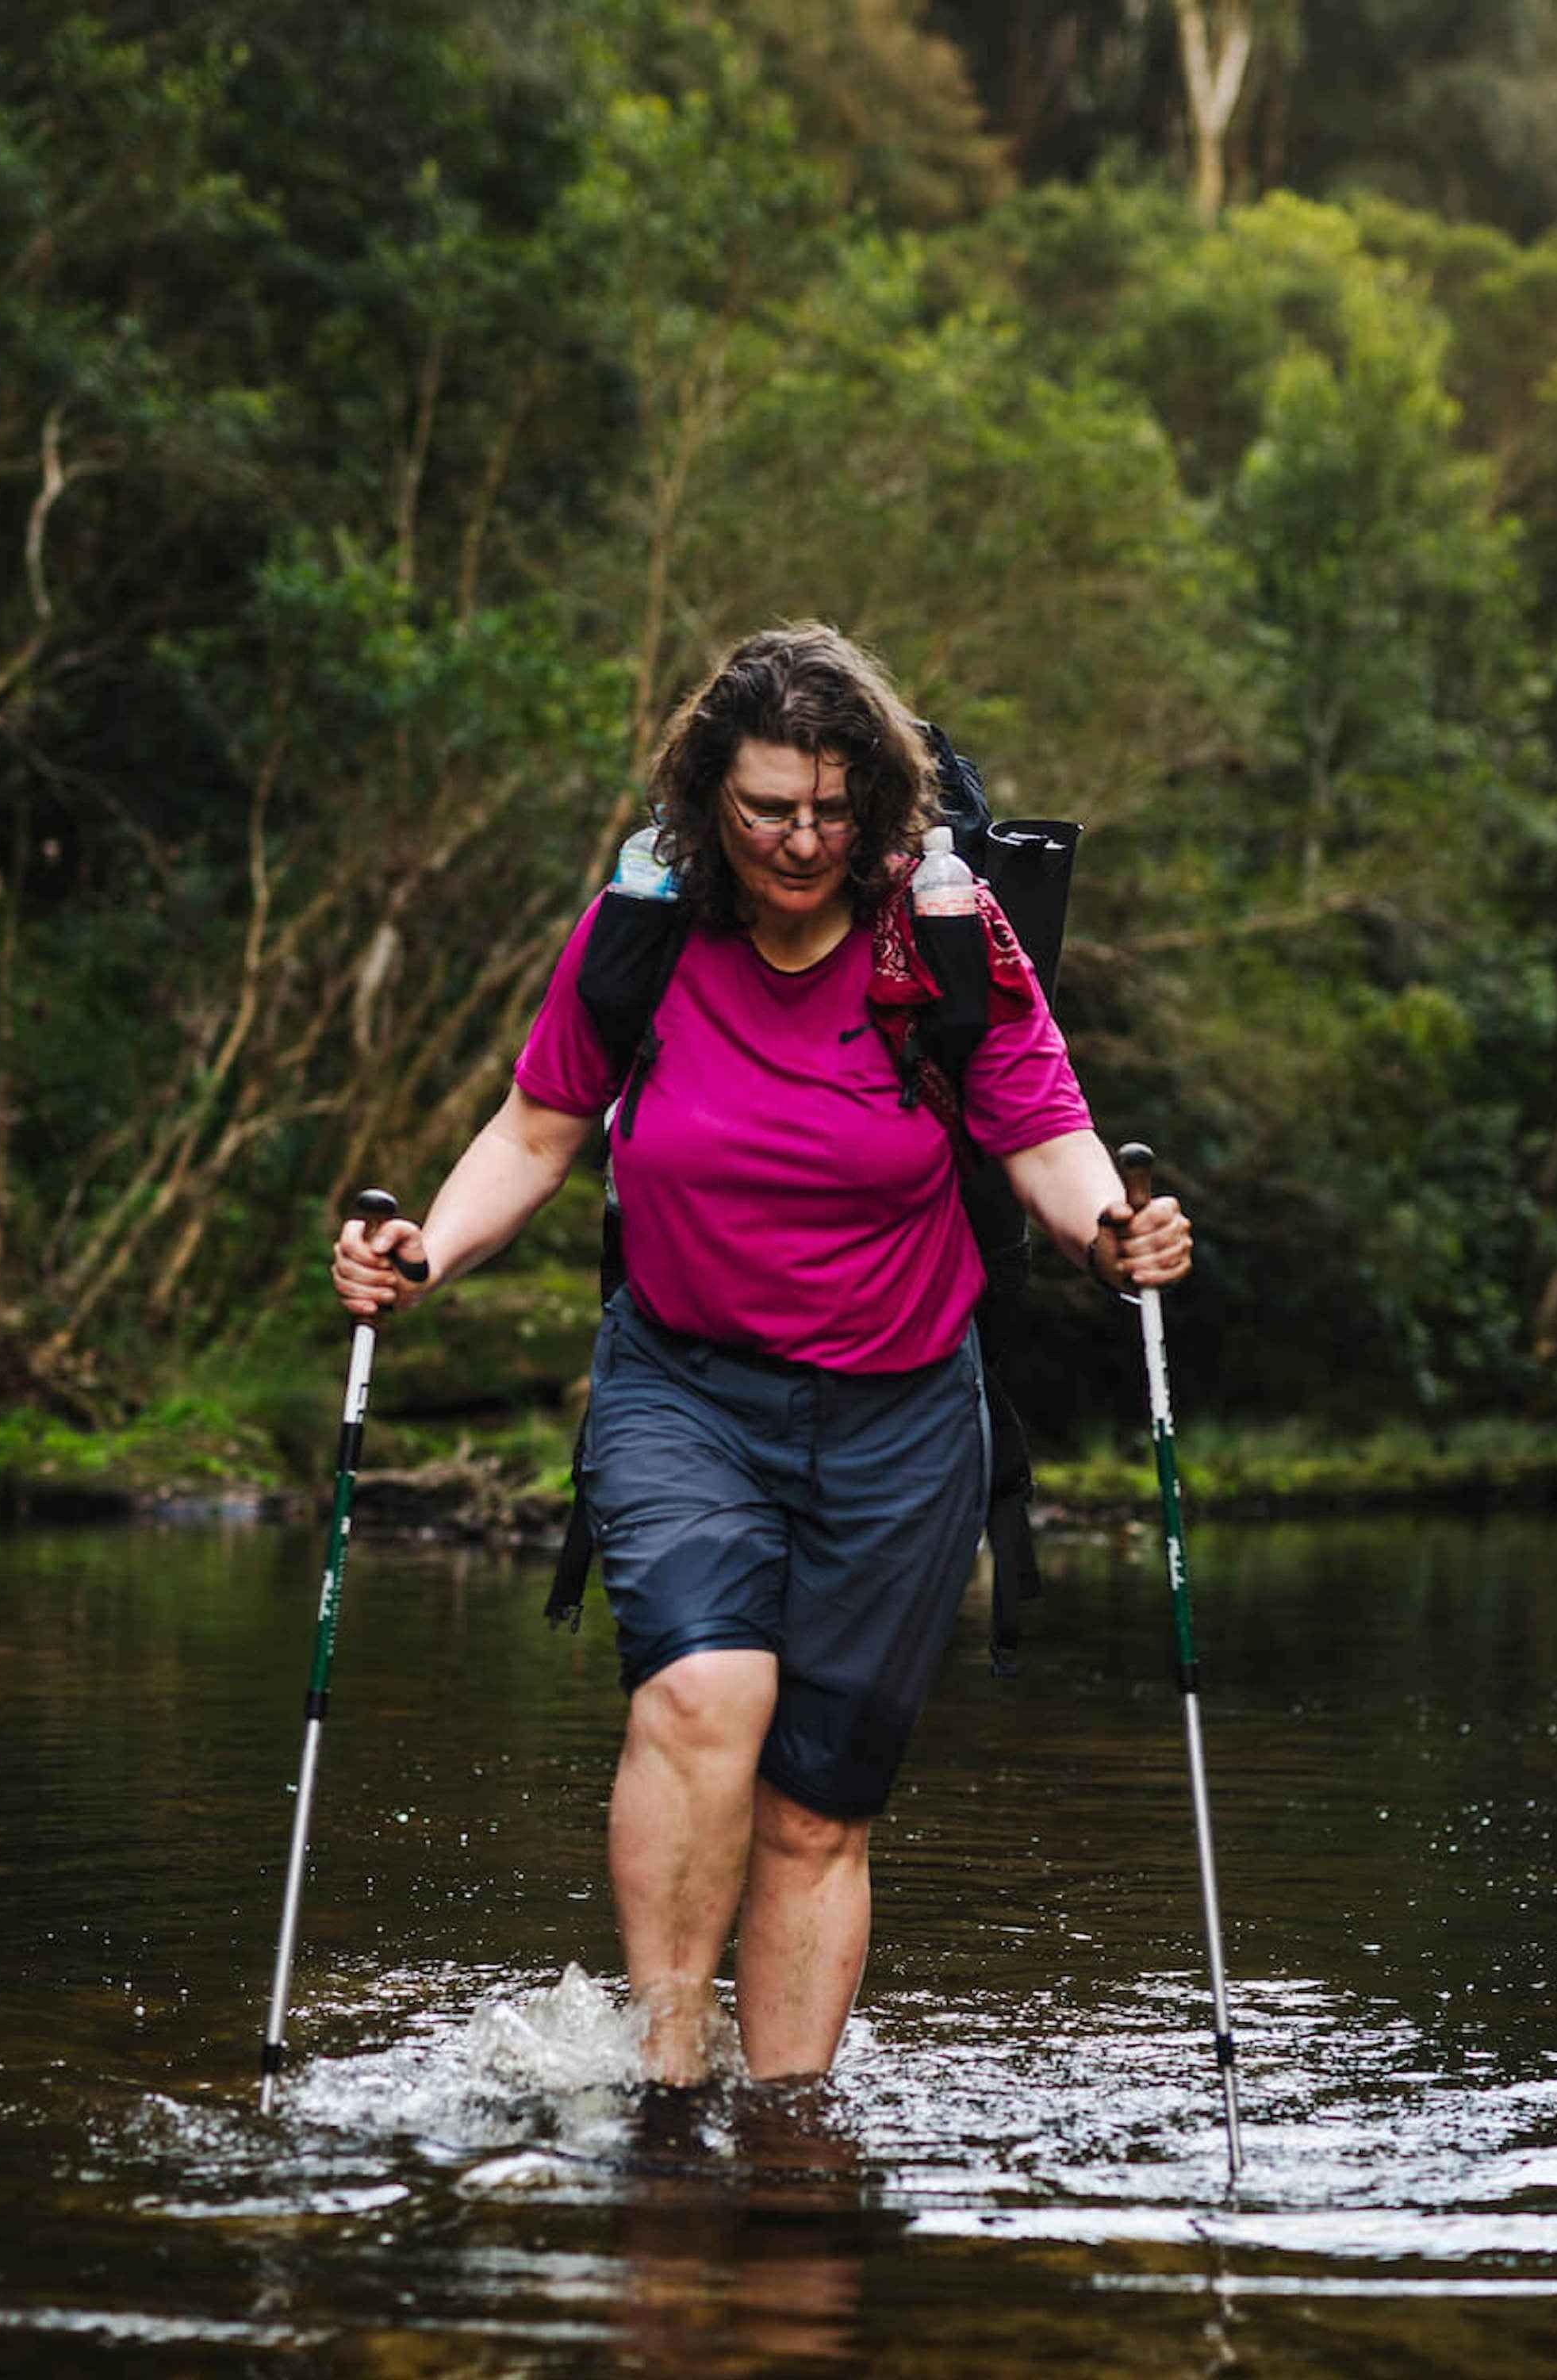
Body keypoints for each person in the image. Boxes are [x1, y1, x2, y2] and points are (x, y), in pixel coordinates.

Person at [332, 623, 1192, 2086]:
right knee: (699, 1695)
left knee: (816, 1807)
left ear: (879, 801)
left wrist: (1114, 1238)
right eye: (764, 808)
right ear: (705, 801)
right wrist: (426, 1249)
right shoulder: (645, 932)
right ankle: (669, 2086)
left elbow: (1045, 1136)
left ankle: (788, 2137)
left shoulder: (945, 938)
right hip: (684, 1390)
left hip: (905, 1421)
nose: (800, 840)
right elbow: (538, 1128)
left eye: (832, 809)